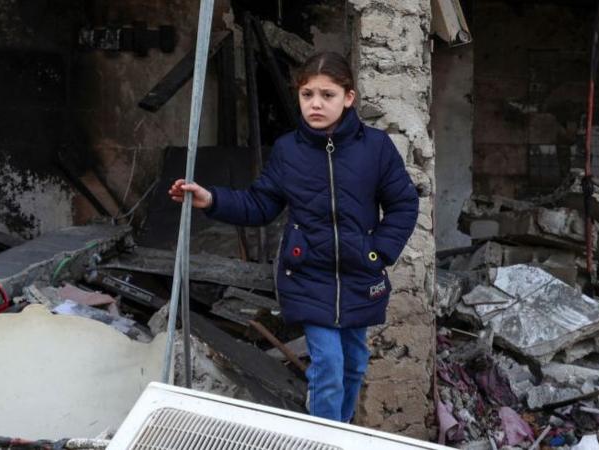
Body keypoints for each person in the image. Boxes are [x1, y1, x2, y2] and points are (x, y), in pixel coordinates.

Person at [169, 51, 419, 423]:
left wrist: (377, 253)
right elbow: (260, 204)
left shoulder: (376, 148)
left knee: (354, 364)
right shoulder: (289, 150)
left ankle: (340, 432)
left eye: (327, 95)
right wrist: (212, 199)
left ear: (349, 98)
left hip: (359, 274)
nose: (315, 104)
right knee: (329, 366)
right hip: (308, 275)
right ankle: (322, 440)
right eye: (307, 95)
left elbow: (403, 204)